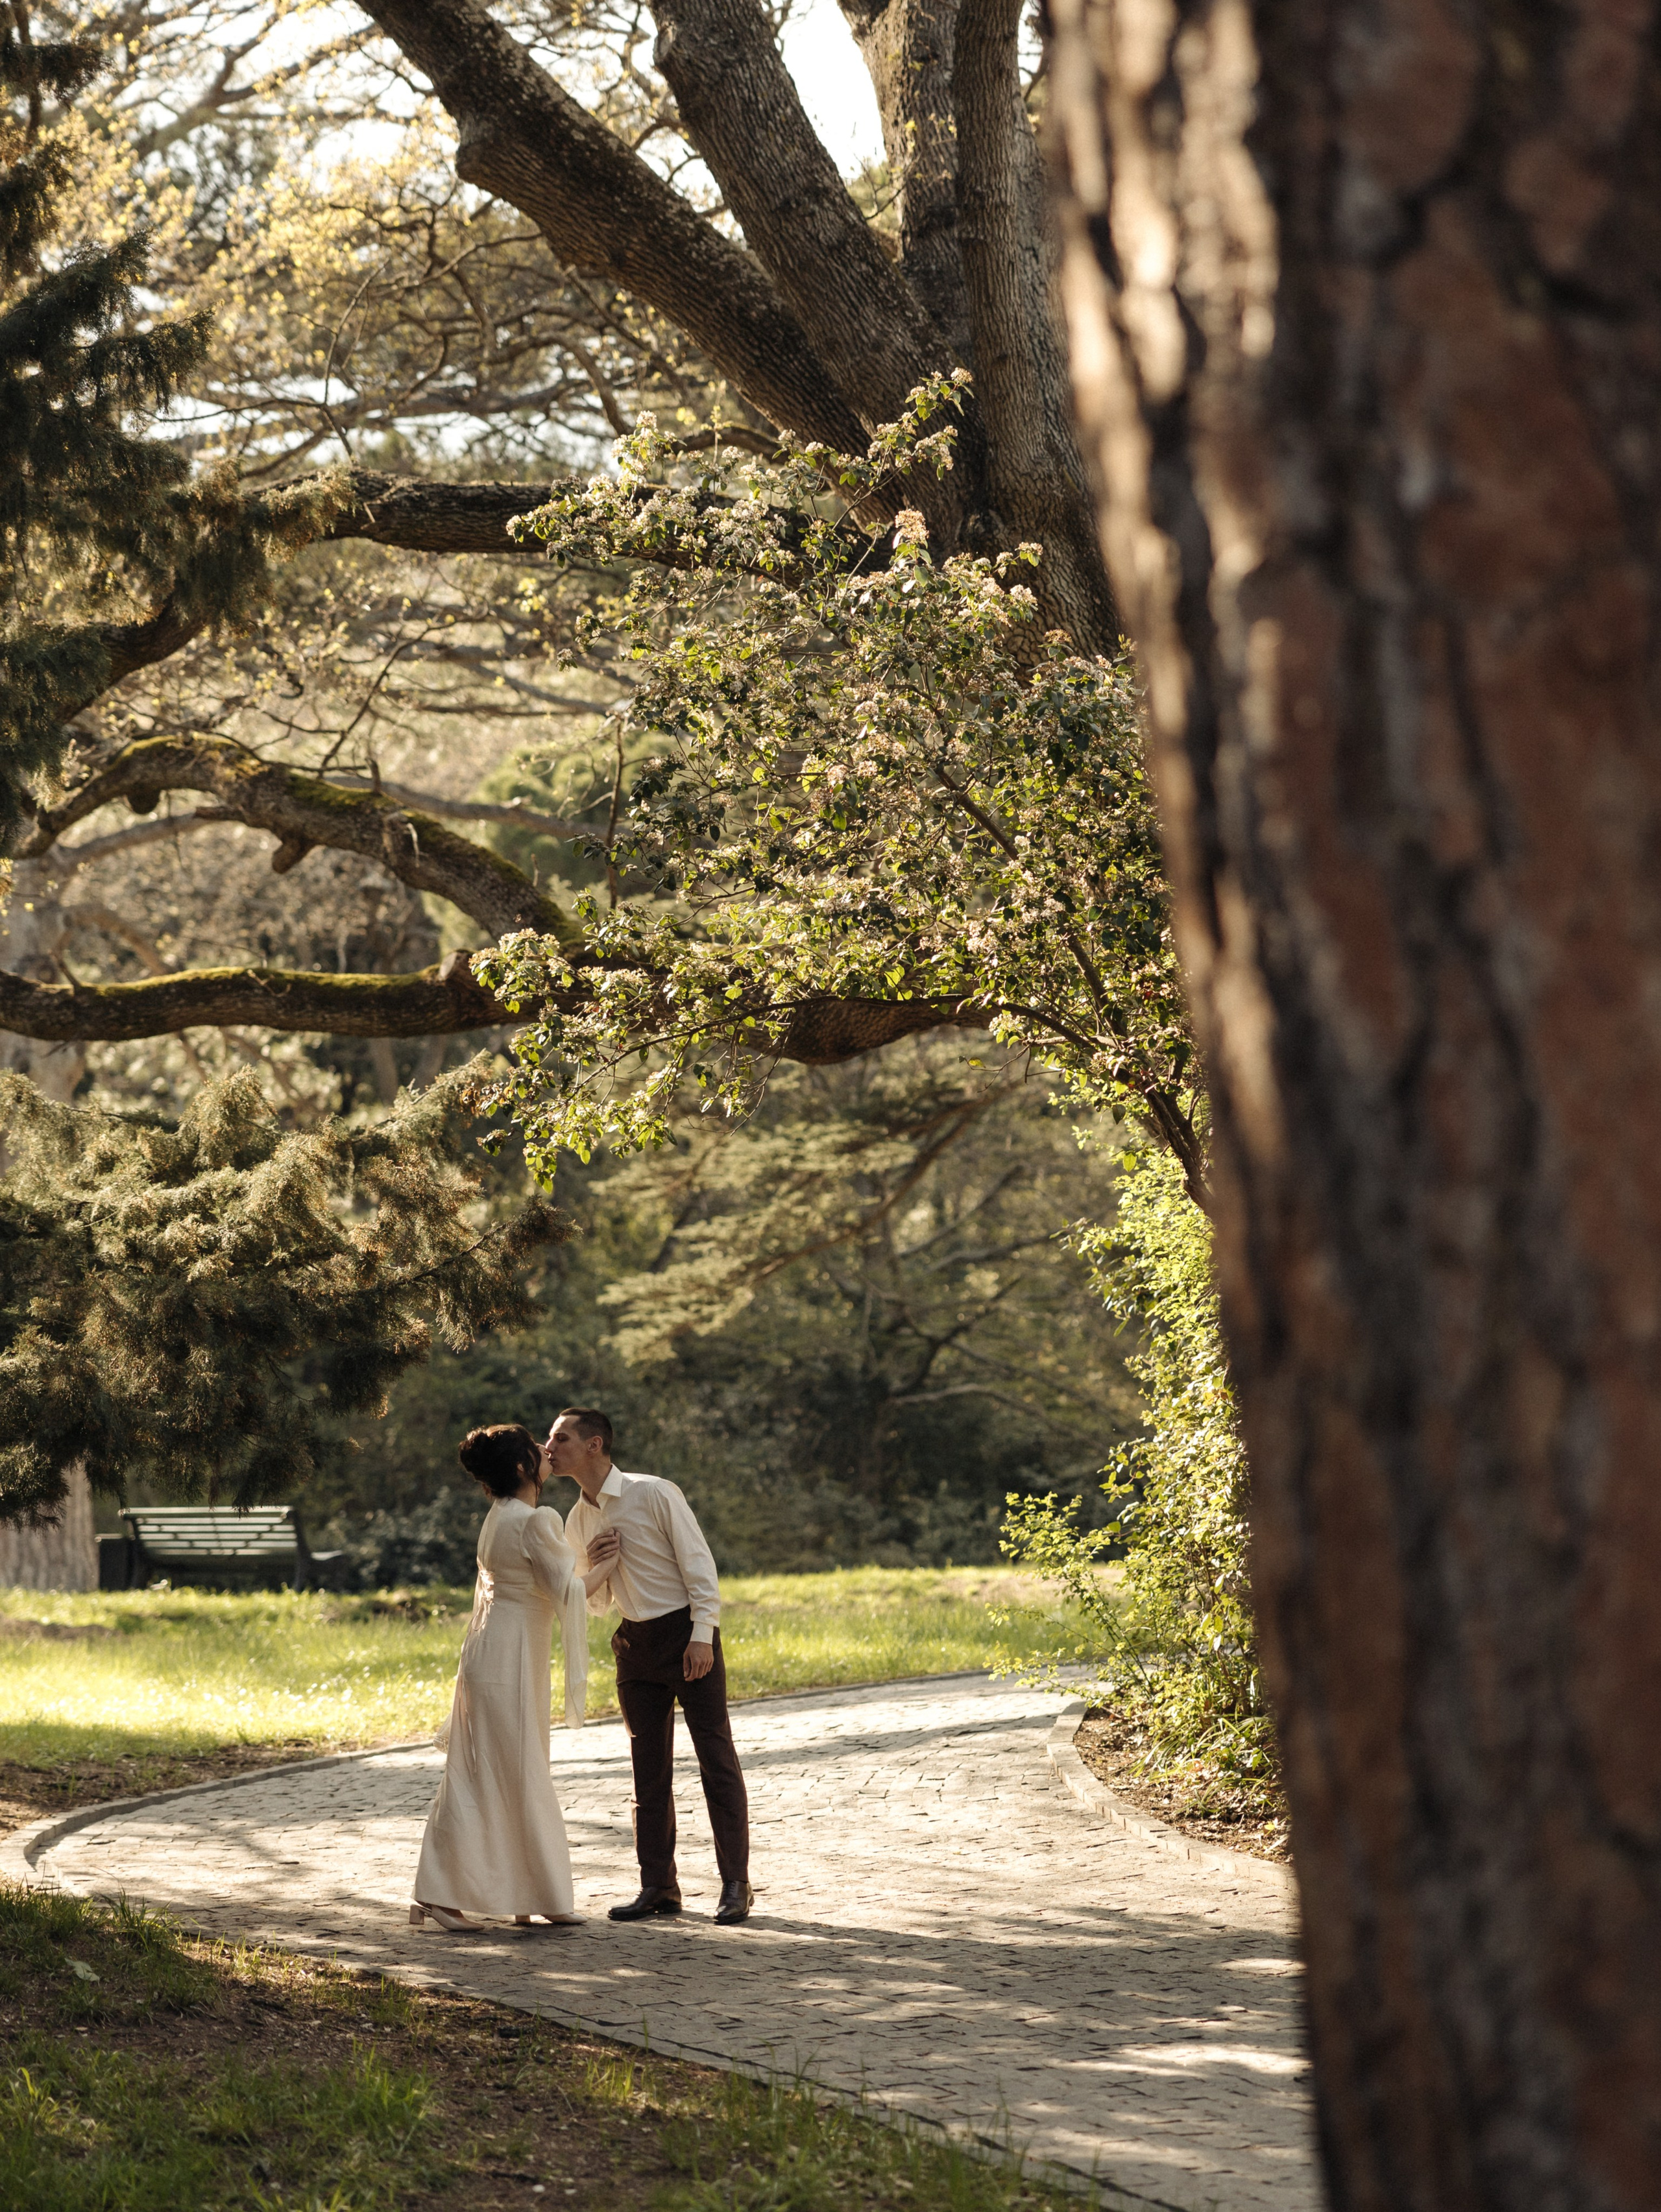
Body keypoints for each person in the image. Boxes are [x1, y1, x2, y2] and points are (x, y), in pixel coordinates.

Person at [546, 1406, 753, 1926]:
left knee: (716, 1760)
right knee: (647, 1771)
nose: (550, 1447)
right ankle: (658, 1886)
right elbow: (592, 1604)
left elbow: (699, 1565)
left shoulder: (655, 1492)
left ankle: (736, 1885)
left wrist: (702, 1635)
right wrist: (595, 1566)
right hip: (634, 1645)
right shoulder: (577, 1519)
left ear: (594, 1445)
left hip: (687, 1637)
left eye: (561, 1438)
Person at [410, 1423, 619, 1934]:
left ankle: (523, 1893)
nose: (548, 1452)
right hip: (508, 1657)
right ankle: (451, 1893)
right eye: (537, 1448)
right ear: (524, 1467)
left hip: (494, 1650)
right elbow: (566, 1593)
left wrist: (585, 1568)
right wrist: (604, 1565)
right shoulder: (535, 1518)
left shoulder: (500, 1515)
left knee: (492, 1771)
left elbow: (537, 1585)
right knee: (514, 1770)